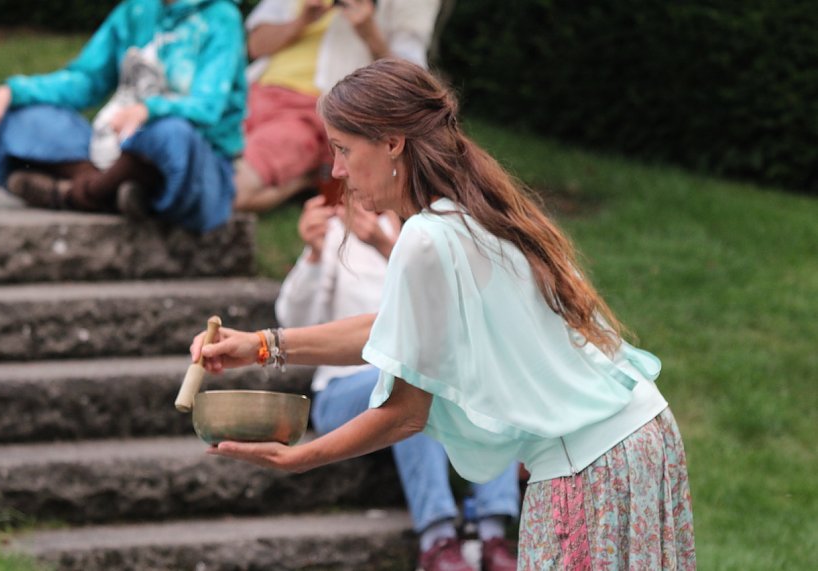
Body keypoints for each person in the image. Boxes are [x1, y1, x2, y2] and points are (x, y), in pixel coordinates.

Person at [191, 59, 696, 569]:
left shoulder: (426, 237)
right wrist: (262, 345)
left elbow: (406, 413)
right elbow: (397, 329)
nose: (337, 170)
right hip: (642, 435)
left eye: (343, 149)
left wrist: (302, 457)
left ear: (392, 142)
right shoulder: (473, 207)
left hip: (588, 463)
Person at [276, 196, 519, 570]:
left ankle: (493, 532)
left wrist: (383, 244)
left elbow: (455, 312)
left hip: (425, 375)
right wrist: (313, 253)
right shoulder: (337, 235)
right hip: (344, 387)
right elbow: (295, 321)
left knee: (472, 372)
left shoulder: (426, 234)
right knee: (409, 377)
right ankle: (438, 539)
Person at [0, 0, 247, 233]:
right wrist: (14, 92)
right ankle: (117, 190)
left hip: (190, 161)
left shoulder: (222, 18)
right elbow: (87, 80)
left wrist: (149, 110)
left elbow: (209, 107)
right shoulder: (136, 10)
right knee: (22, 118)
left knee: (172, 134)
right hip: (114, 147)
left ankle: (77, 194)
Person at [235, 0, 440, 212]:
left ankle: (305, 178)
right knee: (205, 166)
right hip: (252, 92)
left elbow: (412, 82)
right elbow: (255, 45)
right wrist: (302, 20)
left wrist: (369, 32)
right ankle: (310, 176)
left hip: (313, 110)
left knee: (231, 190)